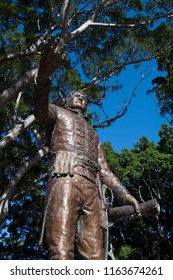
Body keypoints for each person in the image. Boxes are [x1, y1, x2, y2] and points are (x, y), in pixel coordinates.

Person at [34, 37, 140, 260]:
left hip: (92, 189)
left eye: (84, 97)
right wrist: (43, 78)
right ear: (67, 100)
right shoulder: (56, 113)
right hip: (65, 178)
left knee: (95, 257)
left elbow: (105, 169)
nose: (81, 98)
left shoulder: (93, 133)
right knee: (61, 249)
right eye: (76, 95)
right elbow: (40, 111)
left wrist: (124, 194)